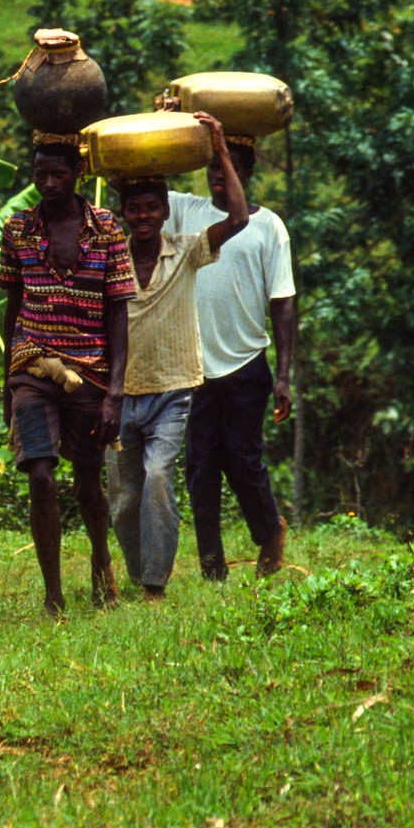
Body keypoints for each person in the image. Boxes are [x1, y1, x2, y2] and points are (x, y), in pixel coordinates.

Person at [109, 114, 248, 602]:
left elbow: (238, 219)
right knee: (124, 503)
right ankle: (138, 570)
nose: (143, 216)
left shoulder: (187, 251)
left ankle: (154, 584)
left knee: (156, 480)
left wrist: (221, 151)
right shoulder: (111, 260)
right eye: (134, 209)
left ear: (165, 212)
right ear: (125, 212)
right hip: (121, 394)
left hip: (173, 390)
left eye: (152, 208)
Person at [0, 141, 132, 613]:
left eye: (58, 174)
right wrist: (7, 373)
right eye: (41, 175)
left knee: (88, 482)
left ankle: (101, 560)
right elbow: (12, 302)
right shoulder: (18, 228)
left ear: (77, 171)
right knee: (40, 476)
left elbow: (118, 311)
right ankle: (53, 595)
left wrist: (115, 392)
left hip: (91, 373)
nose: (49, 184)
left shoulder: (108, 227)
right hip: (33, 366)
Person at [165, 133, 295, 579]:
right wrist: (168, 129)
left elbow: (282, 301)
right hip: (194, 367)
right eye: (216, 167)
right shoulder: (186, 211)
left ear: (248, 173)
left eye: (232, 167)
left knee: (243, 460)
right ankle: (211, 566)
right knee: (201, 469)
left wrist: (283, 376)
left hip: (246, 365)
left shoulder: (269, 226)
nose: (221, 176)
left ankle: (269, 533)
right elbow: (142, 185)